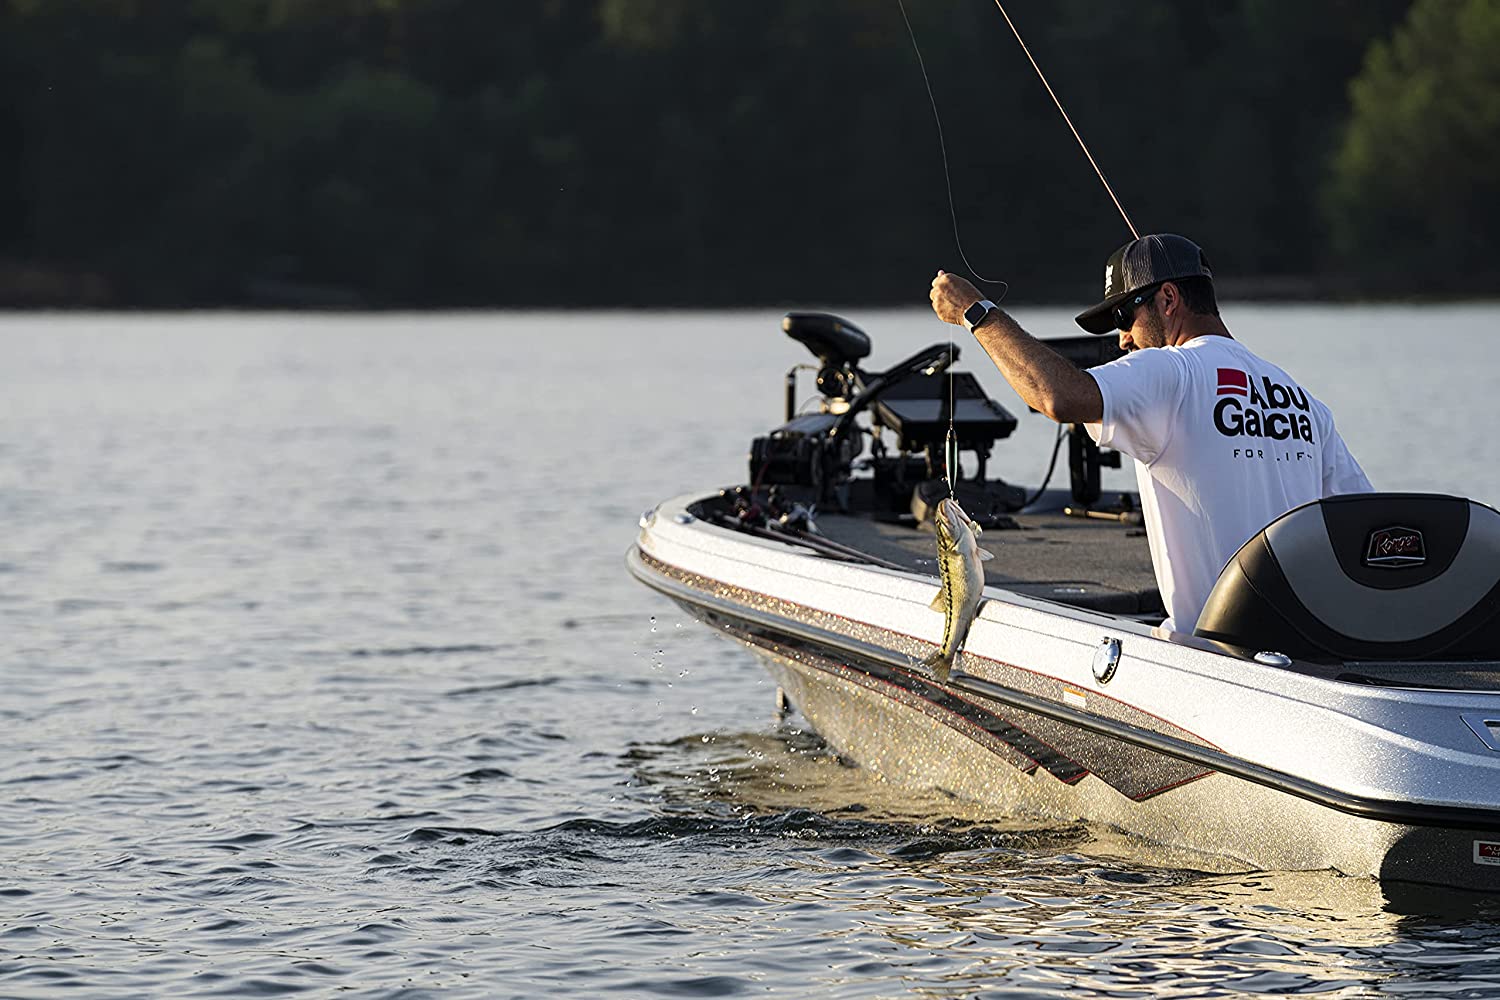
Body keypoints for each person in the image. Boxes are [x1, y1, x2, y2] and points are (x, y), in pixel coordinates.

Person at [929, 233, 1372, 633]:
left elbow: (1056, 397)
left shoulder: (1170, 370)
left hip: (1216, 664)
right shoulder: (1303, 402)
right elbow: (1365, 525)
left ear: (1168, 299)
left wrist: (975, 312)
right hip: (1304, 655)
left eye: (1124, 316)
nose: (1122, 338)